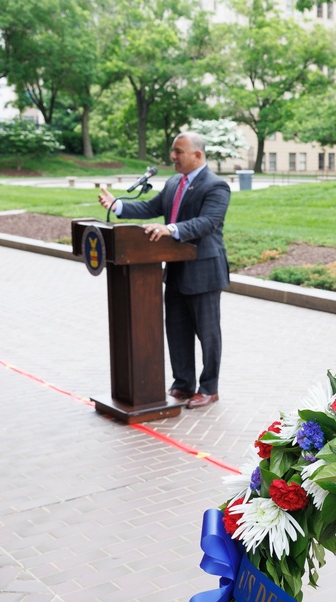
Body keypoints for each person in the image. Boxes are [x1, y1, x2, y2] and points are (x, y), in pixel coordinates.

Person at [98, 132, 231, 409]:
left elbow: (207, 222)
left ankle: (209, 388)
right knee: (177, 331)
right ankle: (183, 384)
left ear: (197, 155)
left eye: (178, 151)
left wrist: (170, 229)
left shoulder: (216, 186)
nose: (173, 157)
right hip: (175, 270)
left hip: (203, 271)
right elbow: (151, 207)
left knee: (207, 334)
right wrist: (117, 205)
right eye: (173, 151)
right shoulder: (173, 183)